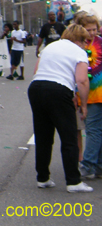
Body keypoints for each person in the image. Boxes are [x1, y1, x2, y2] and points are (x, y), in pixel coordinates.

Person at [28, 24, 93, 192]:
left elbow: (37, 70)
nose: (86, 45)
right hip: (59, 90)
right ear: (79, 40)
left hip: (36, 88)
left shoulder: (50, 46)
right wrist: (83, 104)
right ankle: (73, 181)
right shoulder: (79, 52)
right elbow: (82, 80)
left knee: (43, 136)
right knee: (69, 136)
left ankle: (42, 178)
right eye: (85, 41)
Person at [79, 14, 102, 179]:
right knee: (94, 130)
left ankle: (92, 165)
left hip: (99, 92)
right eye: (89, 30)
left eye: (94, 29)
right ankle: (91, 165)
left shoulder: (100, 43)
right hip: (88, 95)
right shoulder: (78, 46)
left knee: (95, 130)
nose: (92, 33)